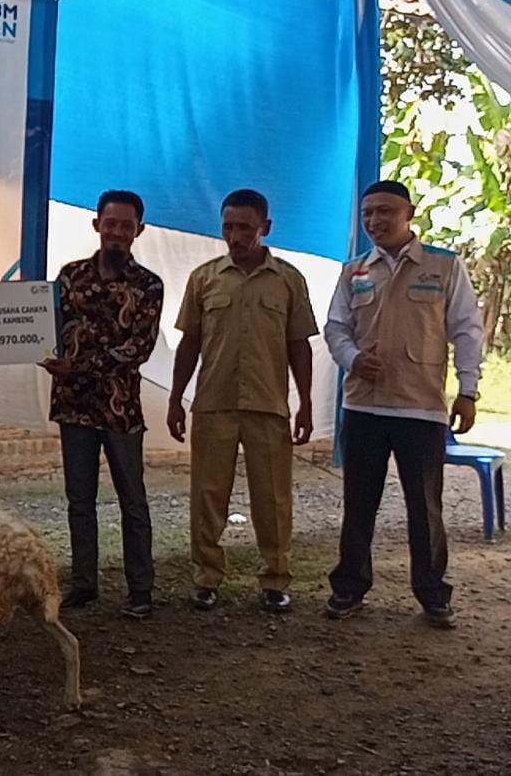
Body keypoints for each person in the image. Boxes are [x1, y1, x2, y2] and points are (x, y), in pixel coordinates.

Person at [323, 180, 484, 628]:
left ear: (410, 213)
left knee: (424, 506)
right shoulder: (354, 271)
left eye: (385, 212)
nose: (375, 220)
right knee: (358, 504)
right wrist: (353, 359)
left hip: (421, 408)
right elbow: (336, 327)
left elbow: (468, 330)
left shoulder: (443, 266)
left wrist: (467, 391)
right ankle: (349, 588)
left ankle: (433, 594)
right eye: (368, 213)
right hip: (363, 408)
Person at [167, 189, 318, 614]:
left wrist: (305, 402)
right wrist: (177, 398)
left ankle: (274, 578)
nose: (235, 236)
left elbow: (299, 345)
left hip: (269, 404)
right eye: (228, 227)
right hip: (213, 402)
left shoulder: (288, 279)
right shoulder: (204, 278)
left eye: (245, 228)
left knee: (273, 497)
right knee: (207, 495)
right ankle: (206, 577)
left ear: (265, 228)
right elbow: (190, 342)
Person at [40, 190, 163, 618]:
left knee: (133, 500)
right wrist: (35, 348)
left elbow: (138, 349)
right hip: (73, 407)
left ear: (138, 231)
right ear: (97, 224)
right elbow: (45, 328)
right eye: (110, 223)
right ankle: (83, 584)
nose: (116, 232)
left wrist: (79, 367)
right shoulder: (69, 277)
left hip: (120, 409)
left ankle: (141, 590)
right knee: (79, 500)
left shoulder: (149, 285)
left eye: (126, 226)